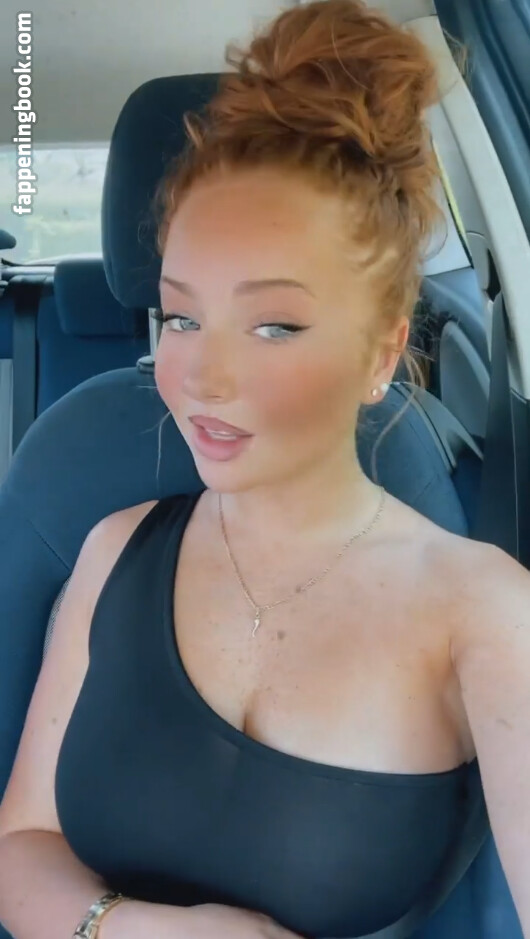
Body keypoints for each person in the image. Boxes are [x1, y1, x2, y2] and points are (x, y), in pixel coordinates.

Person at [1, 2, 529, 938]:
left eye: (274, 325)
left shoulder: (481, 611)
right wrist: (145, 930)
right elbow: (22, 843)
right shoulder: (112, 549)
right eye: (181, 317)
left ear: (381, 353)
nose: (201, 377)